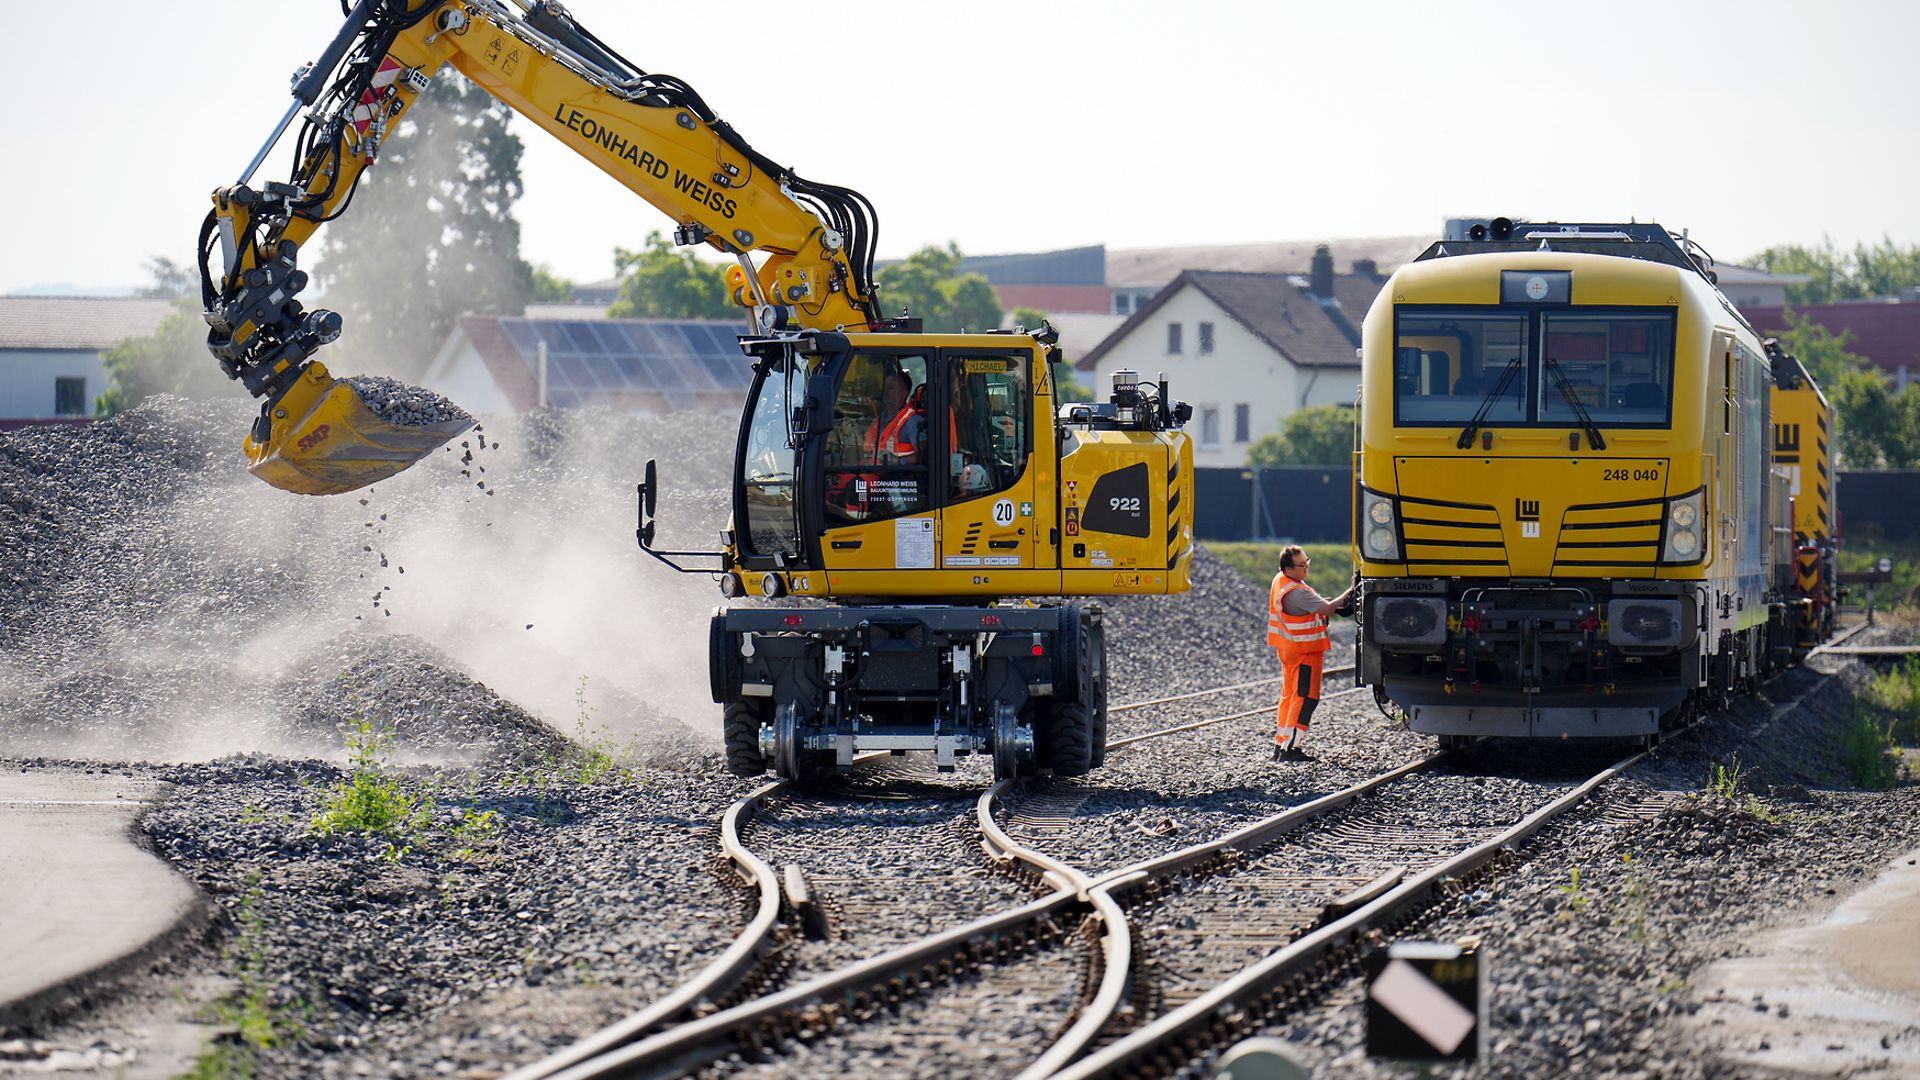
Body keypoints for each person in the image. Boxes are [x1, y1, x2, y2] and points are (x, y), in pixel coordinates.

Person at [1266, 546, 1355, 762]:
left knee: (1289, 696)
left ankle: (1281, 744)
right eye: (1301, 566)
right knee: (1306, 697)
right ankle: (1291, 749)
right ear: (1288, 568)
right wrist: (1352, 589)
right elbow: (1328, 609)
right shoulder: (1296, 592)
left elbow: (1312, 605)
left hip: (1289, 648)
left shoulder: (1283, 581)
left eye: (1307, 563)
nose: (1306, 569)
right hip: (1305, 651)